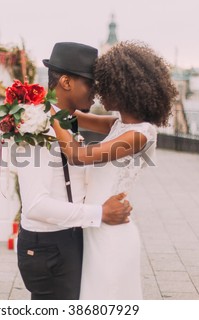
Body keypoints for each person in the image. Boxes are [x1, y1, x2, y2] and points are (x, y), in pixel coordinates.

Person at [50, 41, 178, 299]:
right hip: (97, 223)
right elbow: (72, 117)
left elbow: (77, 156)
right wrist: (39, 105)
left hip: (112, 235)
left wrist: (49, 119)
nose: (97, 94)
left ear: (124, 88)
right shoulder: (118, 123)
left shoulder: (140, 134)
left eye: (104, 86)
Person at [16, 42, 132, 300]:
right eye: (91, 83)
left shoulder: (66, 118)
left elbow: (116, 125)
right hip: (48, 247)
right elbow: (36, 206)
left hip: (68, 238)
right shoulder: (35, 126)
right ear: (66, 82)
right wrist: (100, 213)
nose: (96, 93)